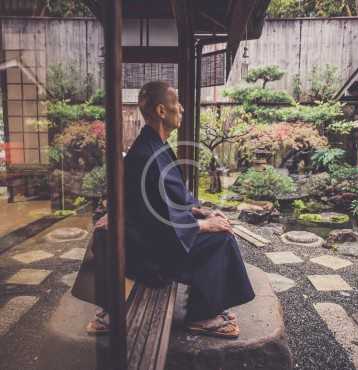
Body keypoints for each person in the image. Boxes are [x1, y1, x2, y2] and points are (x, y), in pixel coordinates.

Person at [73, 81, 255, 339]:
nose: (181, 107)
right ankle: (202, 316)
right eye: (176, 102)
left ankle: (207, 307)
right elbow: (159, 221)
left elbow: (171, 199)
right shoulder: (147, 154)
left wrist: (202, 213)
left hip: (150, 240)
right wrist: (204, 225)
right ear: (161, 111)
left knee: (218, 231)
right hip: (148, 254)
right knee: (221, 240)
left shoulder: (153, 145)